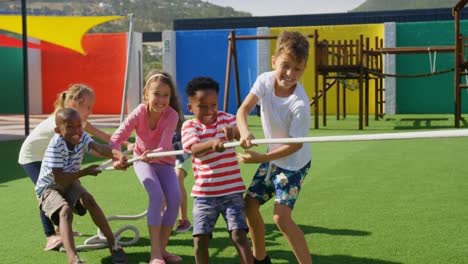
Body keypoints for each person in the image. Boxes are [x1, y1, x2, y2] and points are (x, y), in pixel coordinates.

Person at [18, 83, 131, 251]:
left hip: (51, 159)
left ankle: (61, 226)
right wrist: (108, 158)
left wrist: (125, 146)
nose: (90, 112)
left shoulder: (76, 122)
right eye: (88, 107)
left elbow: (101, 138)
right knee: (45, 190)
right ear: (74, 105)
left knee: (64, 188)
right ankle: (50, 236)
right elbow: (93, 153)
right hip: (32, 156)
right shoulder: (63, 125)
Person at [236, 30, 313, 264]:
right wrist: (245, 131)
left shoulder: (299, 104)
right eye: (285, 65)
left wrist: (260, 158)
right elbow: (243, 111)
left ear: (304, 69)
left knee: (281, 218)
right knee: (249, 205)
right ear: (274, 61)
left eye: (297, 69)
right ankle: (261, 259)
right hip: (272, 159)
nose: (290, 74)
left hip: (293, 164)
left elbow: (295, 146)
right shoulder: (264, 81)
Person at [35, 108, 129, 264]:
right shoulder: (55, 146)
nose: (76, 131)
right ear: (58, 130)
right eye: (70, 127)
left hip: (70, 181)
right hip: (49, 187)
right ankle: (73, 259)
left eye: (79, 126)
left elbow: (99, 148)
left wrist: (119, 155)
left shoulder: (82, 136)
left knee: (89, 200)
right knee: (65, 211)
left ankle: (114, 245)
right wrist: (85, 172)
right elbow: (59, 179)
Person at [110, 70, 183, 264]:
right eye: (156, 94)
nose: (161, 99)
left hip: (164, 160)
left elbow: (165, 145)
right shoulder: (139, 112)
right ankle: (155, 254)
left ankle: (162, 249)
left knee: (175, 199)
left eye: (165, 95)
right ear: (146, 94)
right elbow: (116, 139)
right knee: (157, 196)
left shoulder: (172, 115)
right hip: (142, 161)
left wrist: (154, 152)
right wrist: (118, 157)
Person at [181, 77, 254, 264]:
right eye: (202, 106)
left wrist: (236, 133)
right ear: (190, 107)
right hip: (204, 195)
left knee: (239, 236)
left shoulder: (226, 119)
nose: (209, 111)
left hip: (232, 191)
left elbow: (243, 134)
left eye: (213, 105)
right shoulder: (190, 126)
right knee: (200, 241)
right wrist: (212, 143)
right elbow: (193, 149)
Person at [172, 130, 193, 233]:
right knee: (165, 184)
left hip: (182, 152)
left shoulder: (175, 115)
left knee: (177, 180)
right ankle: (166, 221)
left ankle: (184, 220)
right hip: (165, 154)